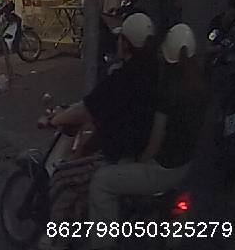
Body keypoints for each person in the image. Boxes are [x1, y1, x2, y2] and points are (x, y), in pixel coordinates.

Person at [38, 13, 159, 249]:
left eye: (121, 39)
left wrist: (55, 120)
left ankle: (56, 241)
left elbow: (88, 109)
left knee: (61, 179)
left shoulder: (124, 78)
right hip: (141, 150)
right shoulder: (153, 71)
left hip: (117, 155)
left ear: (126, 43)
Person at [87, 24, 208, 245]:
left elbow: (154, 144)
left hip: (163, 170)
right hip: (188, 167)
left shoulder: (168, 89)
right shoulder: (201, 84)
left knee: (101, 182)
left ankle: (104, 243)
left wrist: (139, 161)